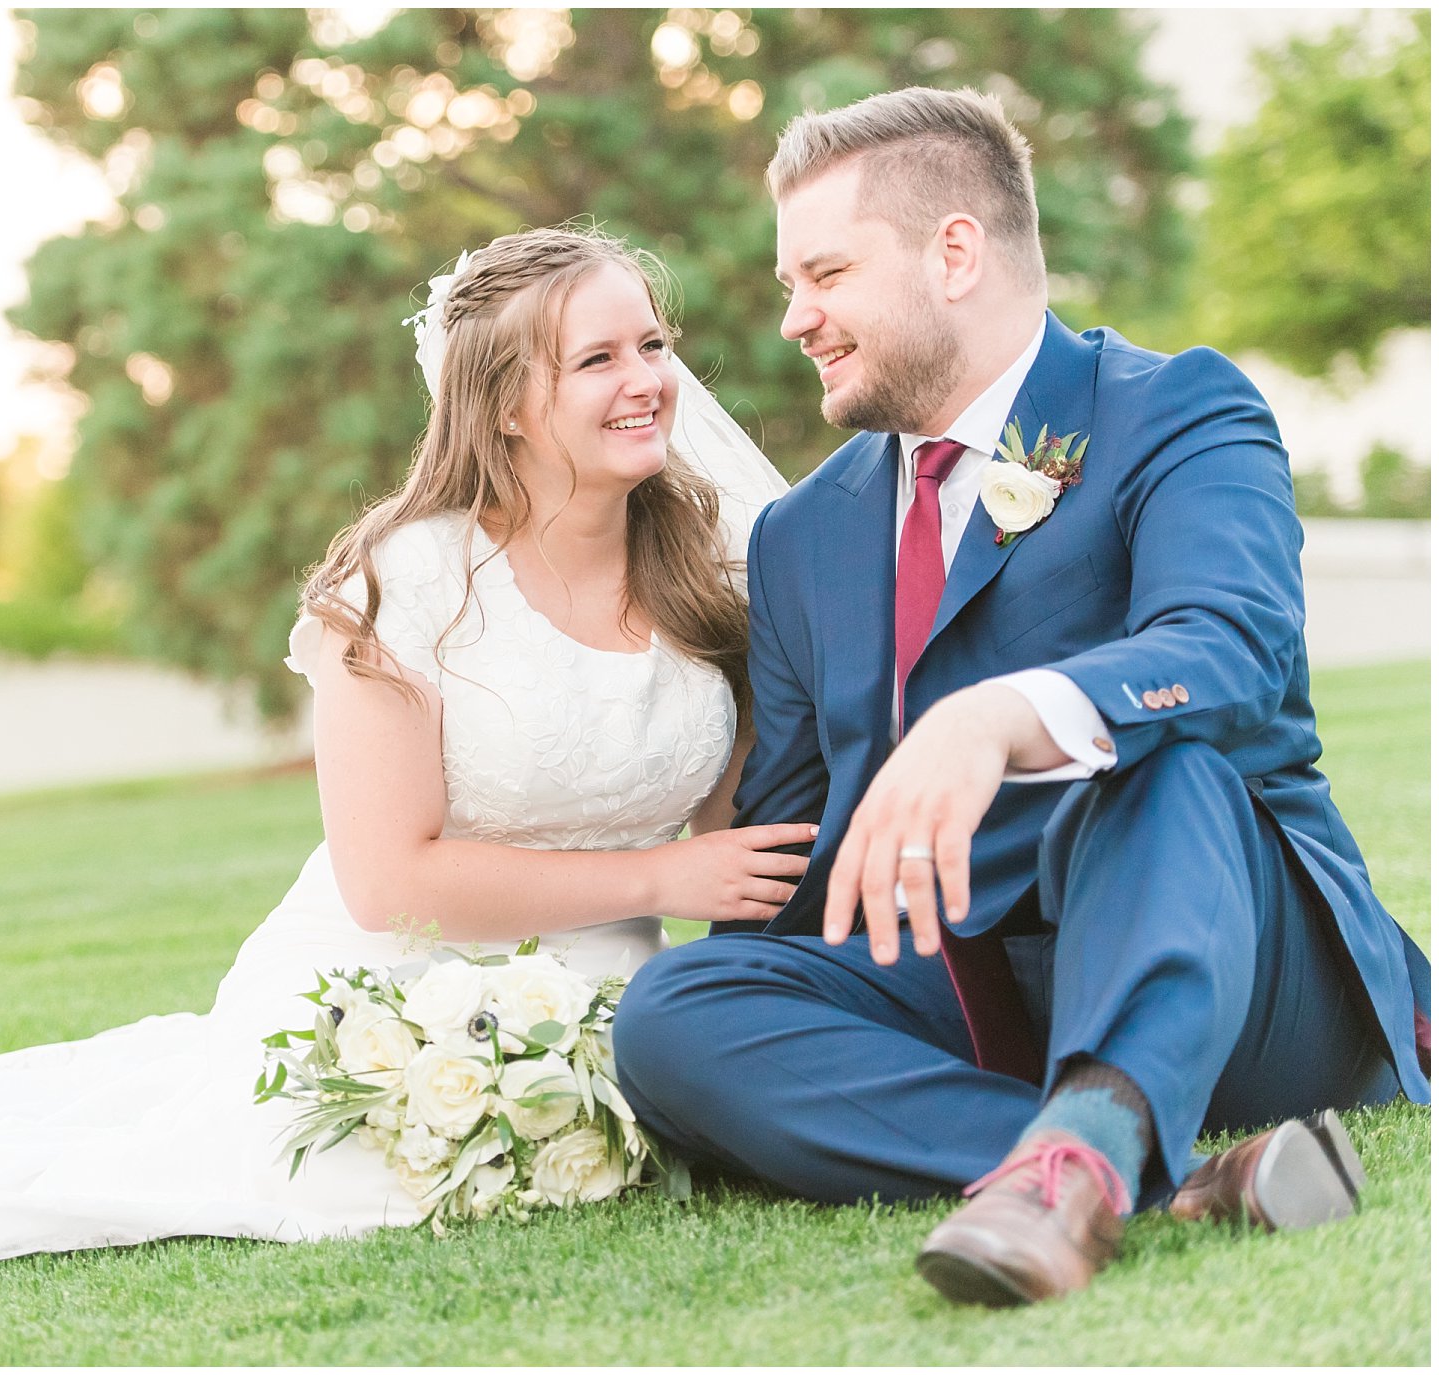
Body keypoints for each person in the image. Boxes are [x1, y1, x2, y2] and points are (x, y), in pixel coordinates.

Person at [0, 227, 801, 1269]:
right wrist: (661, 881)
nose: (647, 380)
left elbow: (735, 823)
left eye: (650, 344)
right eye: (597, 358)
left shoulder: (710, 567)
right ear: (501, 403)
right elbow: (394, 881)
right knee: (331, 1174)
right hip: (380, 983)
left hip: (613, 995)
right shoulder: (401, 586)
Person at [612, 86, 1432, 1309]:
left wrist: (995, 717)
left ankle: (1090, 1146)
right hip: (957, 987)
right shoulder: (800, 536)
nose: (794, 319)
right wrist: (757, 1038)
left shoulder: (1175, 410)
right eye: (792, 284)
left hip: (1230, 963)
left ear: (953, 251)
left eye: (823, 274)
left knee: (1159, 760)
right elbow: (795, 848)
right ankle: (1133, 1169)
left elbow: (1231, 648)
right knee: (672, 1010)